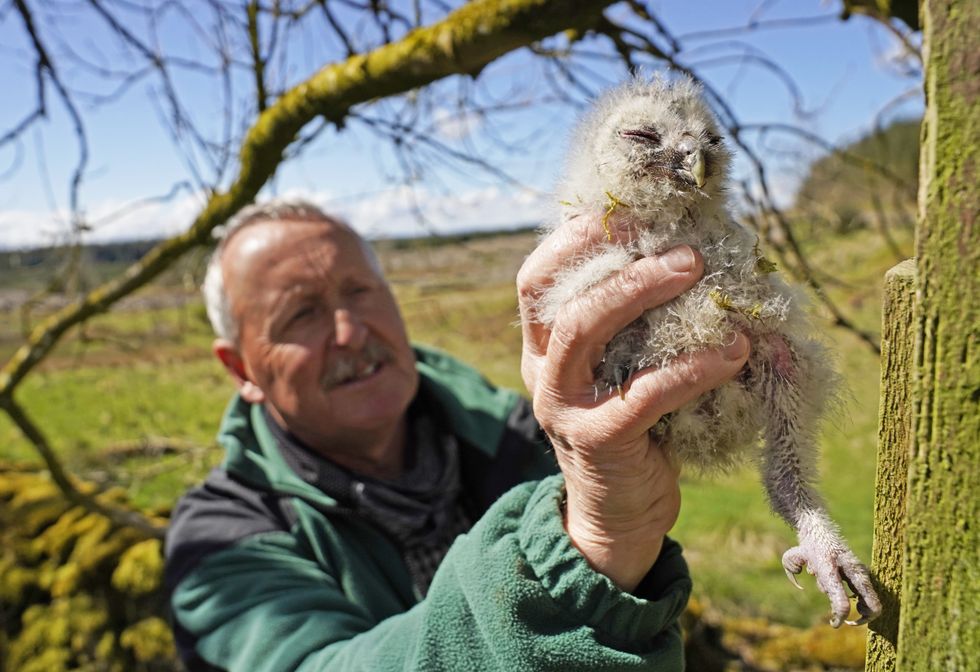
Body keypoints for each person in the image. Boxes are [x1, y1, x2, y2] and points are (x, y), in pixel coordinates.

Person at [164, 199, 750, 671]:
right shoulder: (221, 543)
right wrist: (593, 540)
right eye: (301, 314)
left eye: (360, 291)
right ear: (241, 370)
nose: (350, 331)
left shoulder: (521, 438)